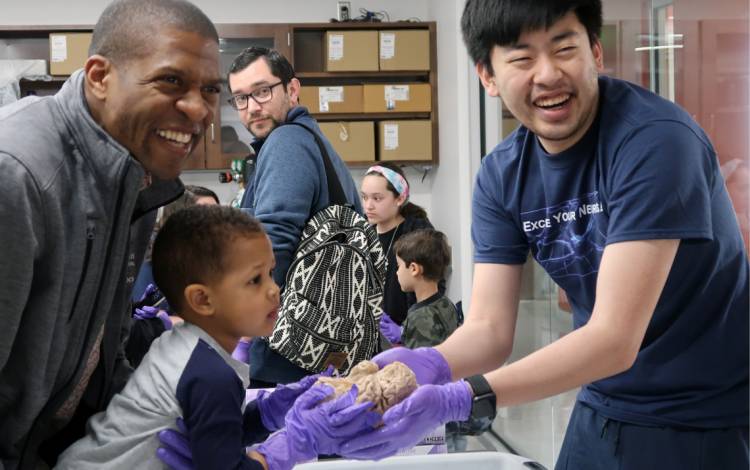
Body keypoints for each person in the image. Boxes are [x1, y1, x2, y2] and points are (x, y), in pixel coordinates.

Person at [339, 1, 750, 469]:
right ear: (488, 77)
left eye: (564, 47)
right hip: (600, 399)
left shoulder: (656, 141)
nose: (548, 73)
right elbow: (490, 329)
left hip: (701, 413)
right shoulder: (503, 174)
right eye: (521, 58)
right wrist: (424, 365)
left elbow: (615, 337)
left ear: (595, 51)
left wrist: (464, 397)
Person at [0, 0, 223, 467]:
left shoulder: (134, 174)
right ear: (100, 77)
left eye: (210, 90)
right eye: (171, 81)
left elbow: (99, 360)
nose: (198, 109)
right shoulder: (18, 176)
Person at [56, 205, 379, 470]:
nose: (274, 289)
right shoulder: (210, 376)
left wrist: (266, 412)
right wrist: (285, 450)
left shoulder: (183, 346)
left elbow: (216, 433)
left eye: (270, 272)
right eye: (255, 279)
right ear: (202, 300)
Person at [226, 46, 363, 387]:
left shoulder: (286, 141)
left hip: (291, 357)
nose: (252, 107)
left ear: (292, 89)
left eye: (261, 91)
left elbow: (273, 242)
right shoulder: (310, 140)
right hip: (323, 349)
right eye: (240, 98)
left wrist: (236, 321)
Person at [360, 163, 438, 326]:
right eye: (364, 197)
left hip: (409, 334)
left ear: (400, 198)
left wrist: (406, 330)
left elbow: (430, 294)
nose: (368, 205)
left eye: (377, 198)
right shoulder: (361, 235)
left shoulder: (418, 235)